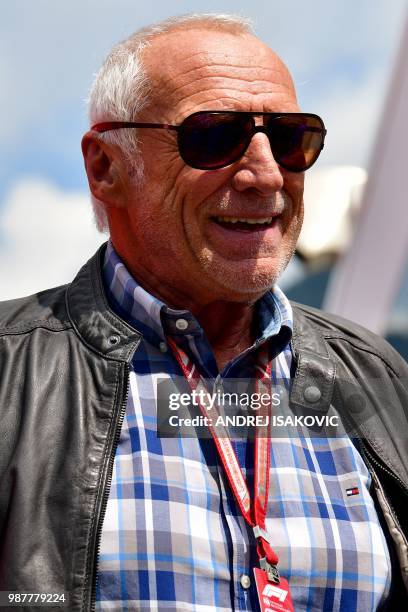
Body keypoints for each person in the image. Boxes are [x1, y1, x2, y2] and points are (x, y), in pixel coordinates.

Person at [0, 12, 407, 612]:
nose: (267, 175)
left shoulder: (379, 378)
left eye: (292, 139)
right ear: (105, 168)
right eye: (215, 136)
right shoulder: (13, 374)